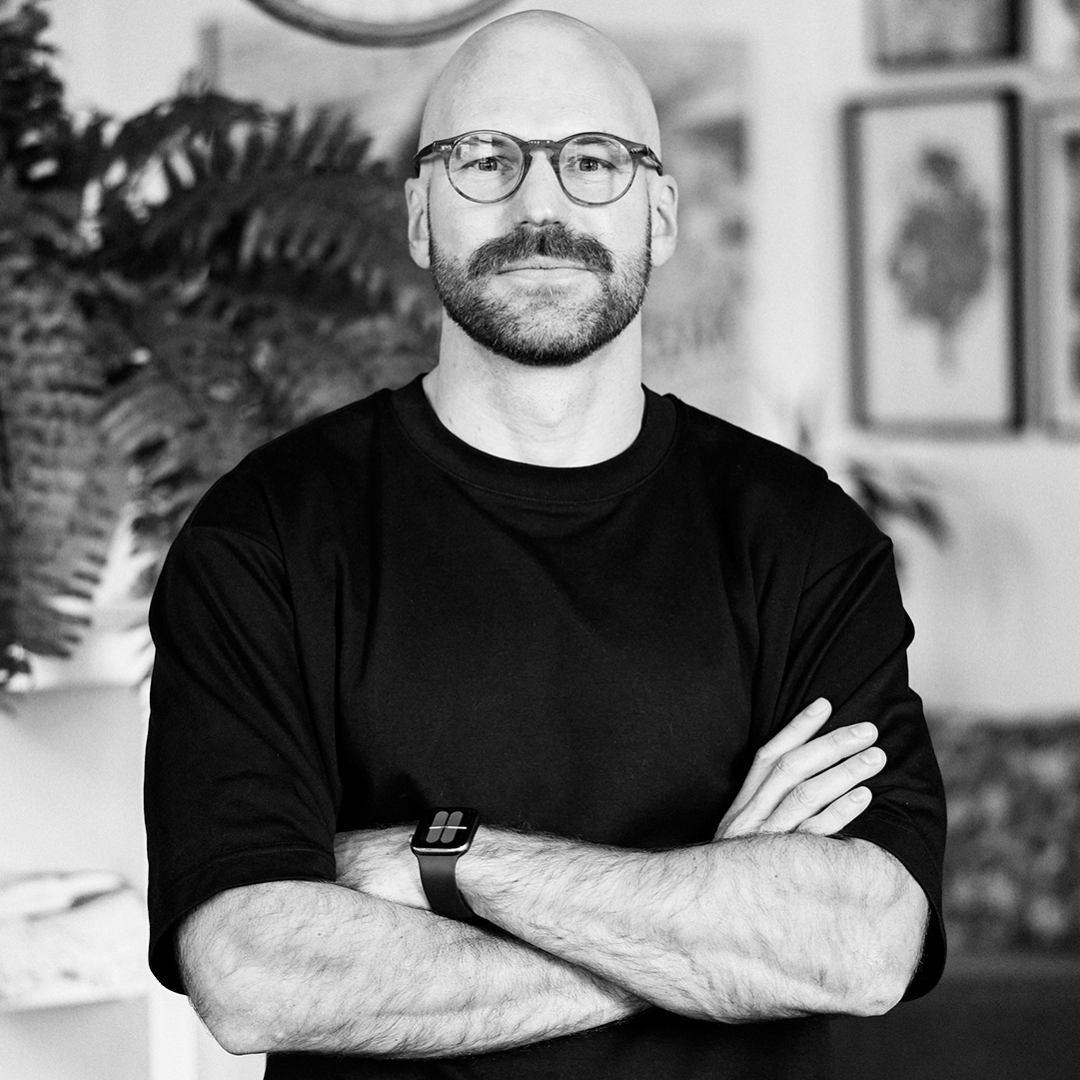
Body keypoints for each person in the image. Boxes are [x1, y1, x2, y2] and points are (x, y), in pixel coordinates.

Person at [144, 10, 946, 1079]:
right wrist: (707, 925)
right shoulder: (266, 538)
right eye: (484, 160)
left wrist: (447, 860)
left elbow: (866, 944)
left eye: (594, 160)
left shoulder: (802, 537)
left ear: (661, 213)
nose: (540, 206)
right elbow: (254, 973)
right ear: (419, 216)